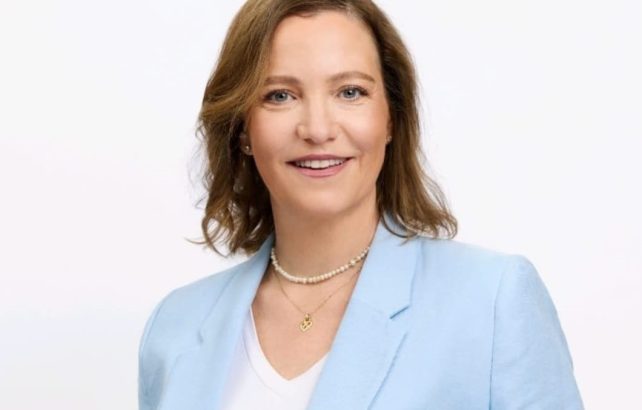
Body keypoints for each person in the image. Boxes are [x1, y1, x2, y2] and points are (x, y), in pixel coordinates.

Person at [138, 1, 584, 409]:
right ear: (242, 130)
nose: (317, 129)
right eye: (280, 95)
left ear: (391, 118)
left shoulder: (491, 302)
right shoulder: (174, 326)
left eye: (350, 92)